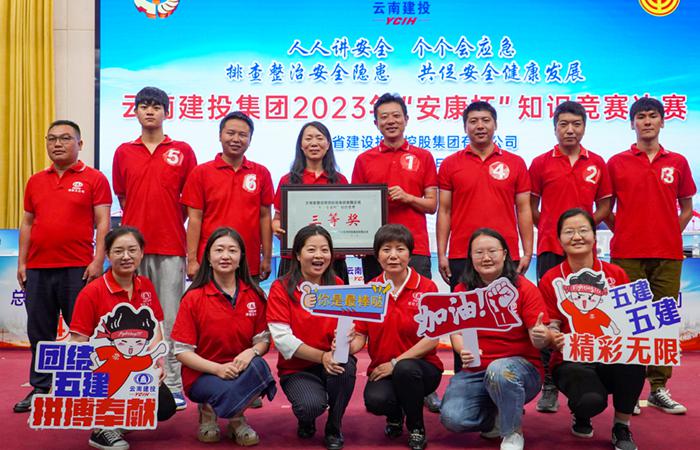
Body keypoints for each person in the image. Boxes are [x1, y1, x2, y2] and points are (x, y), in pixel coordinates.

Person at [14, 120, 111, 413]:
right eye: (52, 138)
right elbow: (27, 223)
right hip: (38, 269)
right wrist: (22, 262)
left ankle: (86, 385)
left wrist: (98, 260)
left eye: (65, 138)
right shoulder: (35, 181)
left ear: (80, 144)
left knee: (83, 331)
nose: (57, 144)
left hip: (78, 268)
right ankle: (41, 386)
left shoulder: (94, 178)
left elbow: (103, 222)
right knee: (39, 331)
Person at [607, 97, 696, 414]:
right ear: (631, 123)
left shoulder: (678, 162)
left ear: (662, 121)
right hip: (627, 254)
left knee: (664, 321)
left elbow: (687, 208)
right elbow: (606, 210)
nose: (647, 121)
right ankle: (628, 391)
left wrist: (669, 232)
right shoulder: (616, 163)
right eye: (641, 116)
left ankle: (658, 388)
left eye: (652, 116)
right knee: (630, 322)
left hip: (667, 254)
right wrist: (625, 230)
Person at [112, 86, 198, 410]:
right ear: (135, 111)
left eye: (156, 106)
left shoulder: (183, 151)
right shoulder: (123, 152)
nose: (150, 111)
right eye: (144, 106)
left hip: (171, 245)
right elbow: (124, 197)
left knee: (170, 319)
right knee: (131, 319)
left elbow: (190, 204)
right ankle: (134, 382)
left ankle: (173, 385)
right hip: (131, 252)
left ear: (167, 112)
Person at [528, 100, 612, 413]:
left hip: (585, 254)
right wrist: (556, 232)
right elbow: (530, 207)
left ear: (584, 127)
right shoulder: (540, 163)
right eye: (563, 124)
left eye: (576, 124)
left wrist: (582, 232)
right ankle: (549, 382)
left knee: (590, 312)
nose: (570, 130)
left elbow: (605, 206)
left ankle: (590, 375)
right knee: (551, 316)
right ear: (555, 128)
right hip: (550, 249)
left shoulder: (598, 163)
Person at [540, 208, 643, 450]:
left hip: (610, 354)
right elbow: (551, 324)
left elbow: (627, 320)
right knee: (590, 401)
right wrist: (553, 337)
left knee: (635, 359)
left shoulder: (616, 274)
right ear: (559, 240)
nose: (577, 237)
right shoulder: (551, 279)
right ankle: (581, 413)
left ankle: (621, 426)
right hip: (571, 360)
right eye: (569, 232)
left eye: (583, 230)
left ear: (595, 237)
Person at [439, 228, 550, 450]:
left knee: (499, 371)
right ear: (471, 257)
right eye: (479, 252)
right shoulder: (463, 289)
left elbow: (540, 340)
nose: (486, 257)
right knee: (452, 418)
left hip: (518, 370)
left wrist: (541, 335)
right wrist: (462, 350)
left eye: (492, 251)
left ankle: (512, 433)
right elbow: (457, 332)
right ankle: (501, 413)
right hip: (476, 370)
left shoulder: (523, 288)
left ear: (505, 254)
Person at [69, 226, 176, 450]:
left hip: (135, 366)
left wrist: (156, 364)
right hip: (104, 368)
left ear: (141, 253)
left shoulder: (145, 286)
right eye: (118, 251)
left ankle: (119, 420)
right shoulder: (92, 292)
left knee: (165, 407)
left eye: (132, 250)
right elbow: (78, 340)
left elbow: (156, 326)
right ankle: (101, 429)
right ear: (108, 255)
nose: (126, 256)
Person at [172, 227, 276, 445]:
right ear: (209, 258)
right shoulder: (193, 298)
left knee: (260, 367)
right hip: (203, 374)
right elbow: (181, 352)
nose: (225, 256)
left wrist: (251, 352)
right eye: (219, 250)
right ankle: (210, 412)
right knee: (225, 389)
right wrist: (217, 369)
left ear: (241, 258)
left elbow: (263, 340)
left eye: (232, 250)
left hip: (240, 369)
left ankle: (235, 418)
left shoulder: (254, 294)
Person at [348, 224, 443, 450]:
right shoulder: (370, 291)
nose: (393, 256)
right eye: (386, 249)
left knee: (405, 370)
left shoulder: (427, 288)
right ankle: (395, 416)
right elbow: (360, 335)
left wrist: (395, 363)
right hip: (383, 369)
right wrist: (344, 344)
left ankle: (417, 427)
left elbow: (433, 337)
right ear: (377, 255)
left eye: (400, 249)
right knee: (376, 401)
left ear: (410, 254)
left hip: (422, 369)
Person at [266, 225, 356, 450]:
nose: (319, 256)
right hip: (297, 369)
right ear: (297, 254)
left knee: (347, 366)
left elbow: (348, 328)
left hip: (331, 362)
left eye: (325, 250)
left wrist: (346, 339)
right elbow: (282, 340)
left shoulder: (339, 286)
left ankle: (334, 427)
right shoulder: (281, 287)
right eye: (311, 250)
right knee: (310, 406)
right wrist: (322, 356)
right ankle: (307, 419)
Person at [437, 101, 533, 290]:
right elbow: (444, 211)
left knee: (506, 306)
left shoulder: (516, 163)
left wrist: (528, 252)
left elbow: (524, 209)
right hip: (462, 254)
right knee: (464, 307)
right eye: (473, 121)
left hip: (505, 253)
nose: (480, 126)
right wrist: (441, 253)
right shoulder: (450, 164)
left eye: (486, 120)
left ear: (495, 124)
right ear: (465, 127)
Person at [351, 93, 438, 282]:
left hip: (415, 247)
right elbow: (356, 207)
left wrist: (408, 197)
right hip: (376, 248)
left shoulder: (424, 156)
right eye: (384, 117)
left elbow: (432, 205)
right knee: (376, 299)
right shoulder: (364, 160)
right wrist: (358, 242)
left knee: (418, 299)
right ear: (376, 123)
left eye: (396, 116)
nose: (391, 121)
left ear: (406, 119)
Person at [182, 111, 273, 282]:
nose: (236, 139)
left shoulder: (261, 173)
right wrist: (192, 260)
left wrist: (267, 258)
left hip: (248, 262)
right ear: (220, 135)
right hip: (210, 262)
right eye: (230, 133)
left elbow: (265, 217)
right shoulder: (200, 173)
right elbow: (194, 219)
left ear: (250, 139)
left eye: (243, 135)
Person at [272, 121, 350, 283]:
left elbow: (347, 220)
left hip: (332, 259)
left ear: (328, 145)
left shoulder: (340, 180)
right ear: (301, 145)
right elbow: (277, 218)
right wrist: (276, 227)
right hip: (294, 258)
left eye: (319, 138)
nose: (314, 143)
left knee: (335, 300)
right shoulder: (287, 181)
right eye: (308, 138)